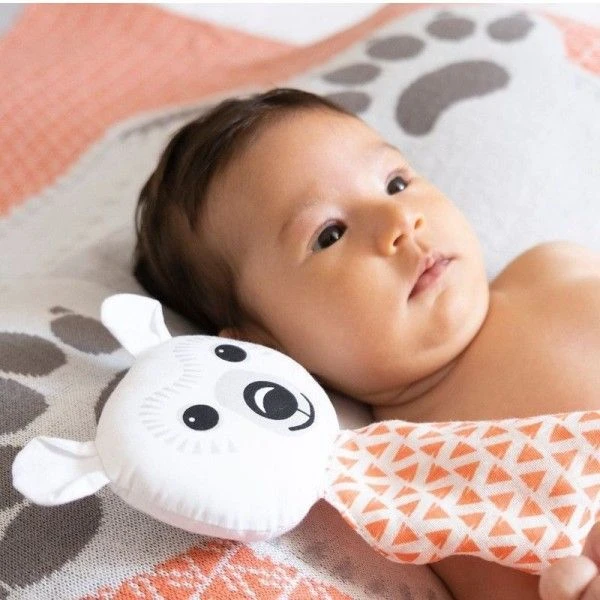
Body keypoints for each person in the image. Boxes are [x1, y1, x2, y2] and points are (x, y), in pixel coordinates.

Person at [134, 87, 600, 600]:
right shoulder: (410, 477)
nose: (399, 221)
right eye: (330, 234)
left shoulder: (553, 266)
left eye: (396, 184)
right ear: (265, 347)